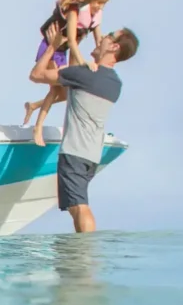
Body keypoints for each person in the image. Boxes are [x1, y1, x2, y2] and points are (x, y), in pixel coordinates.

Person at [29, 24, 139, 233]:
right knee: (75, 206)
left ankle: (86, 248)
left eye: (109, 36)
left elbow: (36, 74)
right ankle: (83, 244)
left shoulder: (84, 74)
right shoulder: (115, 83)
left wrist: (52, 47)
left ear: (114, 47)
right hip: (92, 156)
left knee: (79, 205)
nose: (102, 37)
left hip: (75, 151)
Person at [22, 0, 113, 147]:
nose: (100, 7)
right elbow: (71, 40)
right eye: (99, 2)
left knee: (65, 93)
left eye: (104, 4)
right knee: (55, 89)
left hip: (62, 51)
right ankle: (37, 128)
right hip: (51, 47)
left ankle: (33, 106)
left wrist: (104, 61)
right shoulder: (74, 10)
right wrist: (83, 62)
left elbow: (98, 40)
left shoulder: (95, 15)